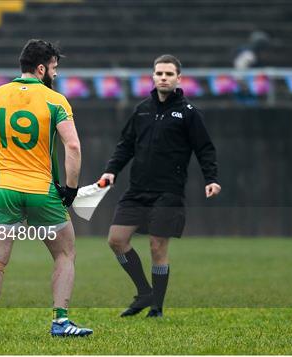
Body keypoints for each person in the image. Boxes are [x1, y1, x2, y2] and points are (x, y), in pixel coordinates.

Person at [0, 39, 92, 338]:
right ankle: (60, 322)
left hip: (4, 189)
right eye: (54, 68)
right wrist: (71, 190)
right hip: (42, 190)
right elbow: (72, 146)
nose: (56, 75)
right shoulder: (55, 100)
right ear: (41, 68)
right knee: (65, 254)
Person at [99, 54, 221, 318]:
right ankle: (144, 291)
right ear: (153, 77)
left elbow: (205, 149)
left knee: (157, 246)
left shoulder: (189, 113)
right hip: (137, 189)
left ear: (178, 78)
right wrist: (111, 171)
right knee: (116, 240)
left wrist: (211, 178)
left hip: (168, 191)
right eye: (159, 73)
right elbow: (125, 145)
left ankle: (157, 307)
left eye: (169, 74)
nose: (163, 77)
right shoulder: (142, 109)